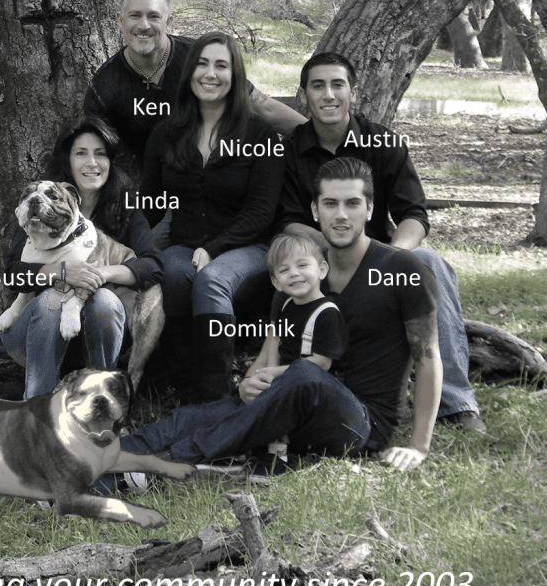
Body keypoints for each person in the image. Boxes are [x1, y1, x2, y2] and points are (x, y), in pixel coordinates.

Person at [115, 158, 442, 472]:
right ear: (315, 210)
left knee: (303, 375)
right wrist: (248, 383)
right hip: (288, 404)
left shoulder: (403, 269)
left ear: (370, 208)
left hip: (357, 422)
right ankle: (108, 455)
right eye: (330, 204)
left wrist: (418, 446)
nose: (341, 215)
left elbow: (427, 357)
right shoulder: (303, 271)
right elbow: (275, 343)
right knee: (196, 416)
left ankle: (172, 460)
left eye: (352, 204)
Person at [276, 51, 485, 433]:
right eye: (317, 86)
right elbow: (288, 220)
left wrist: (392, 256)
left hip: (385, 257)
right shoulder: (287, 149)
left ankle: (457, 403)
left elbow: (414, 215)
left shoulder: (385, 143)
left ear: (353, 92)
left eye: (338, 85)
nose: (328, 95)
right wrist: (336, 249)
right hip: (321, 258)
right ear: (303, 95)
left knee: (431, 263)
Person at [141, 31, 285, 400]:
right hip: (184, 243)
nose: (211, 73)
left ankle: (216, 395)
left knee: (212, 278)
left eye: (222, 65)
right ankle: (181, 382)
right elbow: (150, 203)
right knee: (171, 271)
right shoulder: (166, 133)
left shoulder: (260, 133)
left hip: (248, 246)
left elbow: (262, 211)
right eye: (202, 64)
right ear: (189, 73)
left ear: (235, 76)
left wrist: (217, 247)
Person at [0, 117, 163, 399]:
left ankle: (103, 404)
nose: (92, 163)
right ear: (67, 161)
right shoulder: (40, 206)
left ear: (111, 162)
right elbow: (12, 273)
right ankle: (38, 409)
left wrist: (101, 272)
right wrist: (61, 271)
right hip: (35, 336)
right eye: (81, 153)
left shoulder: (125, 209)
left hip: (96, 338)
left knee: (106, 301)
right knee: (52, 300)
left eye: (100, 154)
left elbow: (153, 266)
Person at [83, 0, 306, 172]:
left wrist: (319, 138)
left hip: (218, 180)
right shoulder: (104, 87)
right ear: (120, 21)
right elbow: (105, 160)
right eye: (134, 16)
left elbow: (263, 107)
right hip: (151, 195)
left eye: (154, 16)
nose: (144, 25)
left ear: (168, 21)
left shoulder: (200, 58)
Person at [258, 231, 347, 461]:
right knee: (260, 397)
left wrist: (276, 374)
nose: (294, 273)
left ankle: (278, 454)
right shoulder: (287, 305)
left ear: (322, 270)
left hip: (315, 385)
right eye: (284, 270)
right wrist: (269, 374)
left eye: (302, 265)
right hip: (287, 377)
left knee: (279, 407)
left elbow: (322, 363)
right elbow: (276, 340)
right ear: (276, 282)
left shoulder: (327, 314)